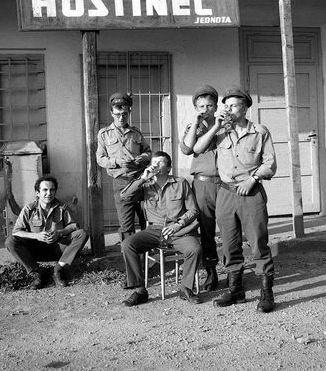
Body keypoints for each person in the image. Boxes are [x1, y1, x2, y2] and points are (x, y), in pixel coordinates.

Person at [194, 86, 277, 313]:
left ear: (245, 107)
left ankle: (266, 293)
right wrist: (217, 127)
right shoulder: (221, 132)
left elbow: (270, 163)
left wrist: (253, 179)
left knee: (258, 242)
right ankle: (236, 289)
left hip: (251, 193)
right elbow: (197, 147)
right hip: (226, 194)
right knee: (230, 244)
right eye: (225, 105)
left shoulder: (260, 132)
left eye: (233, 104)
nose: (227, 108)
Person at [119, 151, 202, 307]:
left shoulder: (181, 182)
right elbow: (125, 197)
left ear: (169, 167)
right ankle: (140, 291)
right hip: (154, 230)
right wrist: (142, 178)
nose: (155, 164)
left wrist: (179, 224)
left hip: (178, 230)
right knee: (127, 244)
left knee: (195, 249)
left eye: (161, 162)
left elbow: (193, 210)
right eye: (154, 161)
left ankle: (185, 289)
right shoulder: (145, 184)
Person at [6, 175, 89, 290]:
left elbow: (74, 226)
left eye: (52, 190)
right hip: (35, 250)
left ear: (55, 192)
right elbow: (16, 232)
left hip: (57, 249)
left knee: (82, 233)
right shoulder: (29, 209)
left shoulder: (62, 208)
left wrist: (60, 233)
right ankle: (38, 273)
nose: (48, 193)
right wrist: (36, 236)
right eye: (45, 190)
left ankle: (57, 270)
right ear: (37, 193)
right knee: (10, 241)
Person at [179, 84, 220, 292]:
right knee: (206, 230)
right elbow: (186, 149)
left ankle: (233, 270)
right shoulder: (193, 127)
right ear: (196, 107)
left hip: (226, 182)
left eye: (210, 105)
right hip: (203, 183)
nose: (206, 109)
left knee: (232, 228)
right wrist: (195, 124)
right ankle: (211, 271)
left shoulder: (224, 124)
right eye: (201, 105)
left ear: (216, 106)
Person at [96, 92, 151, 243]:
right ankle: (131, 259)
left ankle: (146, 255)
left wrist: (142, 158)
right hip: (121, 182)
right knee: (126, 224)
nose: (121, 117)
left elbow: (148, 152)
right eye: (118, 114)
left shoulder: (136, 132)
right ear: (111, 113)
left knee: (146, 218)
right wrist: (117, 162)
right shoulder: (104, 134)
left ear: (129, 113)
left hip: (141, 180)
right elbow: (100, 159)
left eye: (125, 114)